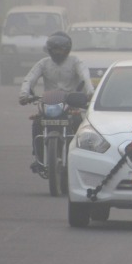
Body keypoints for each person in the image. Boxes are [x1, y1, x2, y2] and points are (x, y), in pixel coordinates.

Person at [19, 31, 92, 173]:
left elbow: (86, 77)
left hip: (70, 103)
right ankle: (38, 157)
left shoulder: (75, 62)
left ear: (67, 49)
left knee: (78, 122)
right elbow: (30, 78)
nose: (58, 52)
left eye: (61, 49)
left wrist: (90, 93)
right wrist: (24, 94)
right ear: (49, 50)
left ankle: (81, 156)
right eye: (55, 49)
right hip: (49, 103)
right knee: (37, 124)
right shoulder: (43, 63)